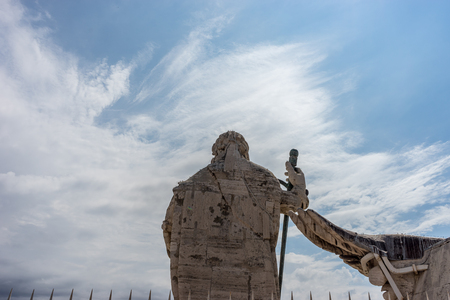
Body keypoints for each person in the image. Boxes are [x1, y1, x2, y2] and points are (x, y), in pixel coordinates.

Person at [162, 131, 309, 300]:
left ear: (216, 151)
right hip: (257, 282)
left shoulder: (186, 188)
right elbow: (297, 203)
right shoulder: (266, 180)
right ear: (245, 152)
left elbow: (169, 231)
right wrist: (299, 184)